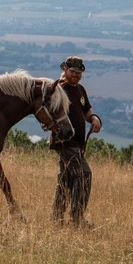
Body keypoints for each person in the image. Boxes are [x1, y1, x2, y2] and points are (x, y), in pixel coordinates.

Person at [51, 55, 102, 227]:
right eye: (72, 71)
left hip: (78, 143)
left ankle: (56, 219)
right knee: (84, 174)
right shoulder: (59, 89)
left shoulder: (80, 89)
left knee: (66, 180)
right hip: (65, 141)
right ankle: (77, 219)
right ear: (65, 69)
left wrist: (94, 118)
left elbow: (86, 110)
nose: (76, 75)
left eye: (79, 72)